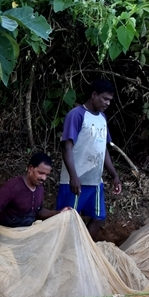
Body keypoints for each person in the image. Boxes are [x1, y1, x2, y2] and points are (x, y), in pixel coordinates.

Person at [56, 78, 122, 241]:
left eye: (109, 100)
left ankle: (82, 247)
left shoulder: (102, 118)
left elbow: (103, 149)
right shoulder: (77, 115)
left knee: (99, 217)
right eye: (104, 98)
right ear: (94, 95)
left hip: (95, 181)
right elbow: (66, 146)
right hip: (75, 181)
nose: (107, 103)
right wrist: (73, 176)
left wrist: (114, 175)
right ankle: (63, 251)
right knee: (68, 219)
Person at [0, 152, 68, 263]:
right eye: (40, 173)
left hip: (27, 236)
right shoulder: (13, 187)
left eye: (47, 175)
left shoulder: (39, 188)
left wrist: (57, 213)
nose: (43, 178)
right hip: (6, 237)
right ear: (30, 168)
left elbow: (38, 211)